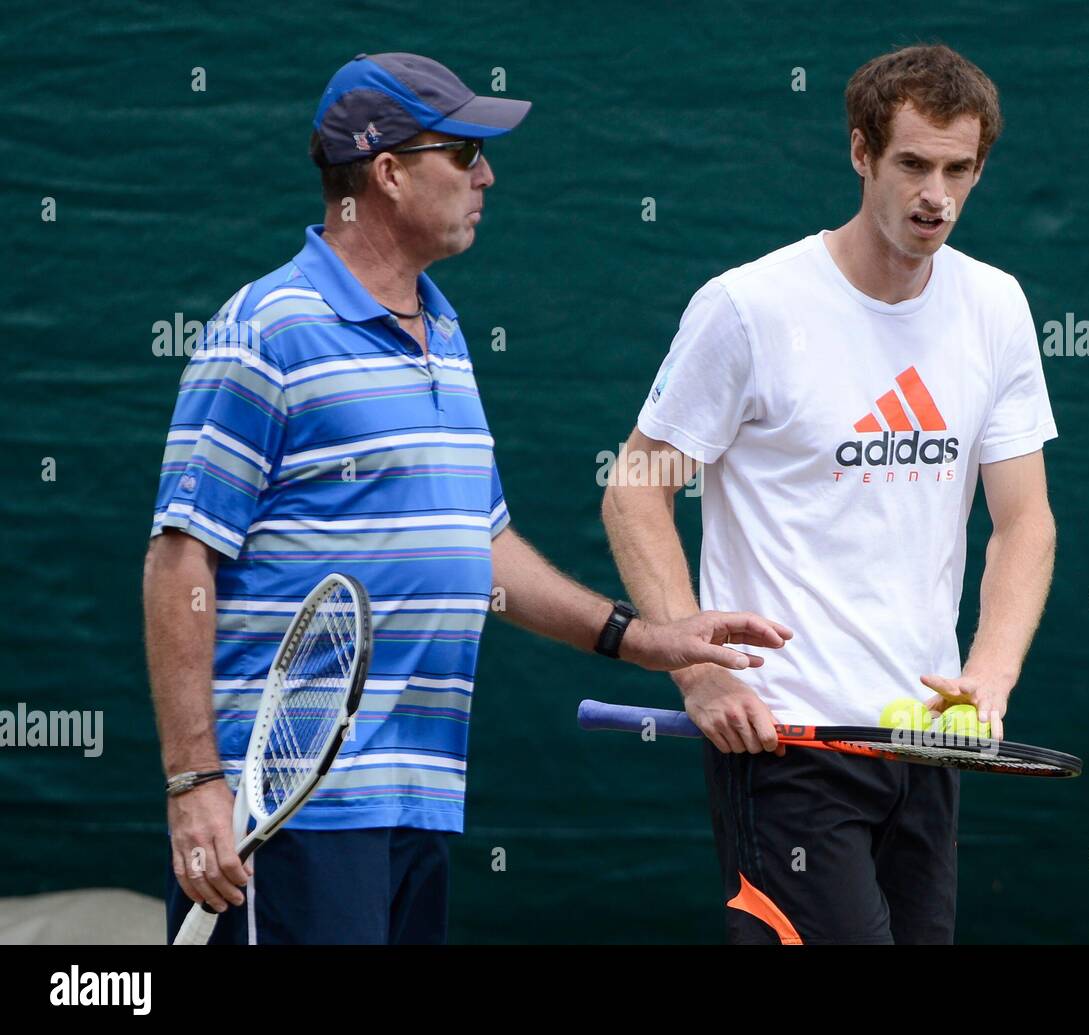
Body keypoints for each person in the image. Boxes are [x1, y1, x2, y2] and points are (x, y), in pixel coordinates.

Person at [143, 52, 791, 945]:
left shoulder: (442, 329)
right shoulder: (265, 331)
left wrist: (641, 638)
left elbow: (481, 545)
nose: (487, 174)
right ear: (388, 172)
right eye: (465, 152)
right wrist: (194, 782)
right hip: (289, 814)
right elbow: (180, 559)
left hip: (418, 796)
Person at [601, 43, 1058, 944]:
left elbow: (1025, 521)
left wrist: (989, 679)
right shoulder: (749, 307)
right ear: (861, 154)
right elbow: (635, 487)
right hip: (786, 743)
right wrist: (693, 669)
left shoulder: (996, 306)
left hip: (927, 743)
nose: (936, 195)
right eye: (913, 164)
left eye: (959, 169)